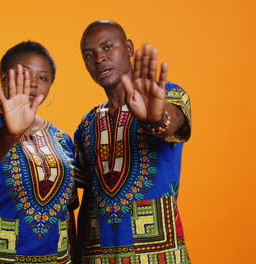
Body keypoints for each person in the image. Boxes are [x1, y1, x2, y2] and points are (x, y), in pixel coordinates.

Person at [74, 20, 192, 263]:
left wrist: (156, 117)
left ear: (128, 48)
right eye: (89, 55)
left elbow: (175, 123)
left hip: (158, 255)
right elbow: (88, 201)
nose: (99, 59)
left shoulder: (167, 94)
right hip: (97, 257)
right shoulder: (87, 125)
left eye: (107, 47)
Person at [0, 41, 78, 264]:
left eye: (43, 77)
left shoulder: (61, 139)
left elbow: (67, 213)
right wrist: (9, 134)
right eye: (24, 74)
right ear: (3, 78)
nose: (34, 84)